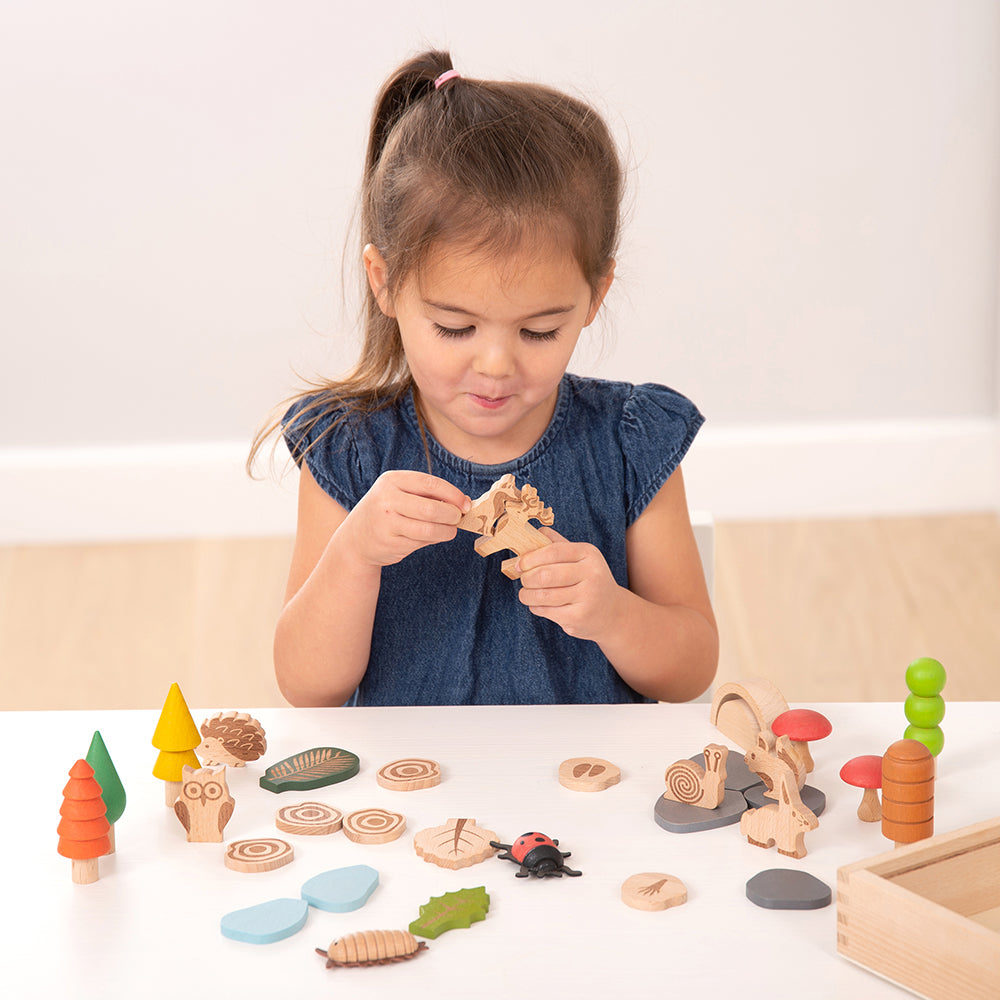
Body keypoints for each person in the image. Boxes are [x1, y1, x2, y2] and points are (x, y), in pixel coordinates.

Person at [251, 50, 718, 708]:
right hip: (412, 798)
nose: (496, 366)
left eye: (538, 331)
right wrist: (353, 555)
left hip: (586, 792)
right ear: (384, 283)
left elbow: (690, 669)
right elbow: (307, 687)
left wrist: (612, 612)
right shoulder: (350, 449)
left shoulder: (629, 444)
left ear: (595, 294)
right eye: (454, 328)